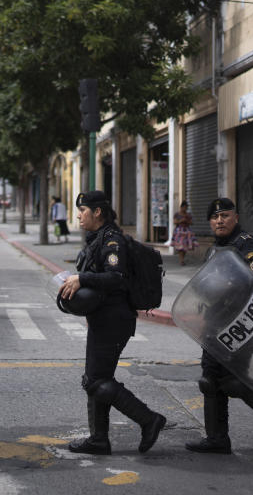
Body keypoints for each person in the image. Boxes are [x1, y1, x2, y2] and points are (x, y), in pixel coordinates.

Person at [185, 197, 253, 457]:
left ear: (236, 217)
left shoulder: (247, 244)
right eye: (215, 217)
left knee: (234, 381)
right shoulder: (216, 248)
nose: (219, 221)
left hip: (240, 323)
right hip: (216, 322)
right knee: (210, 380)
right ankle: (217, 439)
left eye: (225, 215)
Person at [58, 190, 166, 455]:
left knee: (95, 381)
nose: (79, 215)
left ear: (97, 212)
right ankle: (99, 439)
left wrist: (82, 280)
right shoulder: (97, 238)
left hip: (114, 320)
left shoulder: (112, 240)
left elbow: (116, 277)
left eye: (83, 210)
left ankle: (148, 419)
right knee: (97, 378)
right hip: (103, 318)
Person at [170, 200, 198, 266]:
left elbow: (191, 222)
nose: (185, 209)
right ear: (181, 207)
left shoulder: (188, 215)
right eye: (184, 207)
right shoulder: (177, 214)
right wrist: (180, 221)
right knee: (180, 246)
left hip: (187, 231)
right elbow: (175, 222)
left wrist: (187, 221)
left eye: (186, 207)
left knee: (185, 247)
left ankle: (182, 259)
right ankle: (181, 260)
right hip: (179, 232)